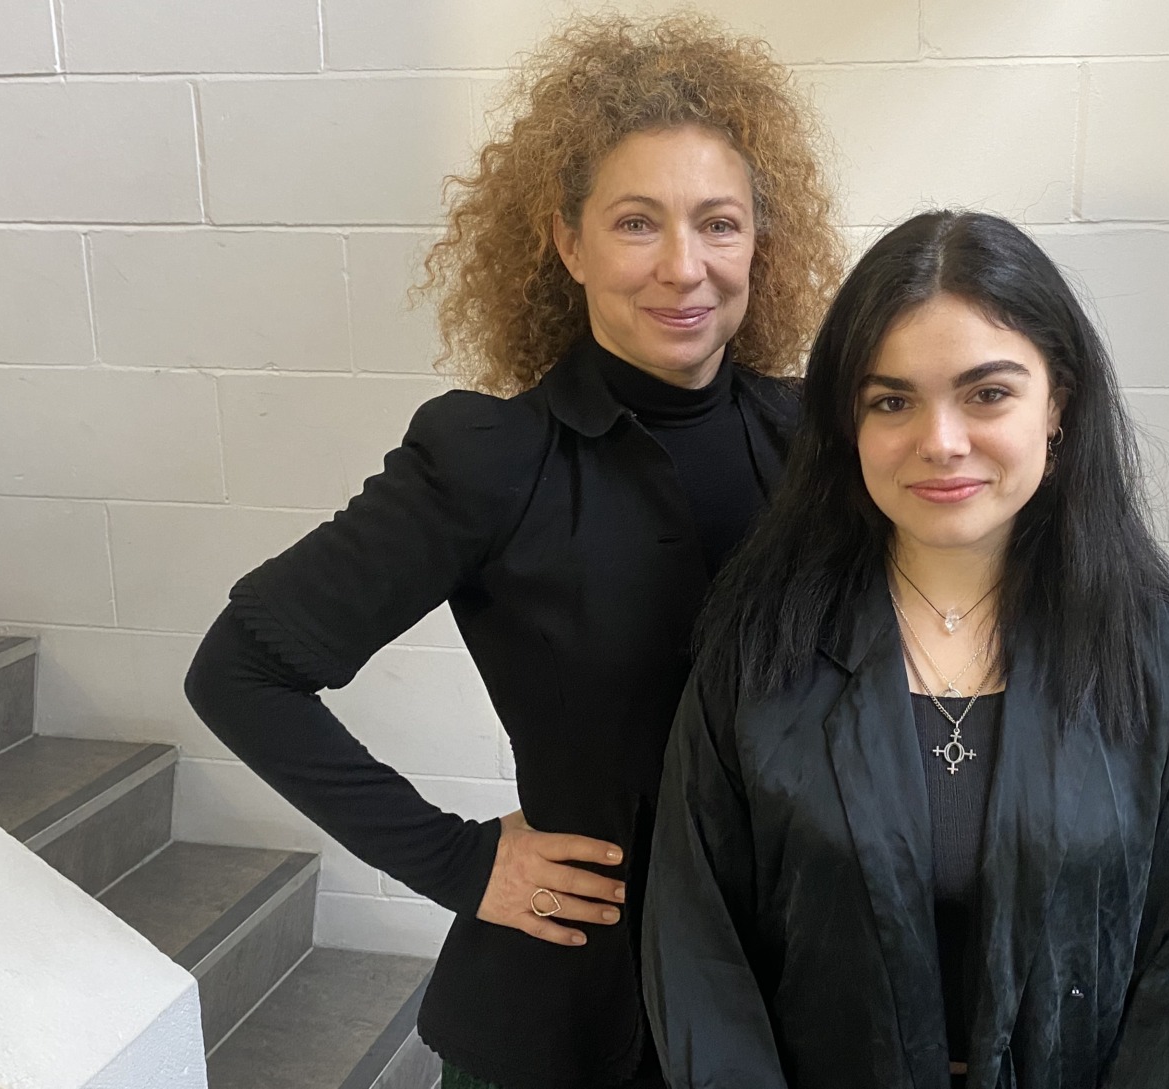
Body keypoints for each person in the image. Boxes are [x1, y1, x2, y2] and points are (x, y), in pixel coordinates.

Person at [182, 14, 842, 1089]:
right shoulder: (488, 459)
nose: (685, 266)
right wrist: (458, 860)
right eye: (637, 223)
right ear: (567, 240)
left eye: (719, 224)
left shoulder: (822, 441)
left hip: (790, 1001)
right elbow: (239, 672)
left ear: (759, 243)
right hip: (569, 1021)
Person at [644, 211, 1169, 1089]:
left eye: (987, 393)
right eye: (891, 400)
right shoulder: (760, 649)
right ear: (846, 425)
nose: (940, 440)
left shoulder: (1157, 656)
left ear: (1059, 404)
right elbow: (697, 944)